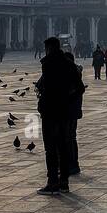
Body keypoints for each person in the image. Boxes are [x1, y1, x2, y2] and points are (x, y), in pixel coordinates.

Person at [36, 37, 75, 194]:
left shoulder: (48, 64)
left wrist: (44, 101)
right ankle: (64, 182)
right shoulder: (68, 64)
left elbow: (46, 87)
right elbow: (79, 88)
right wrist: (67, 100)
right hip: (64, 111)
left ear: (49, 48)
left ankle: (52, 183)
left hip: (50, 112)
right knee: (63, 147)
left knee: (50, 149)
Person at [63, 50, 86, 176]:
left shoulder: (71, 75)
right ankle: (73, 164)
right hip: (73, 111)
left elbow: (76, 91)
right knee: (71, 137)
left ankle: (71, 164)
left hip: (69, 111)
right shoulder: (76, 74)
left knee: (68, 138)